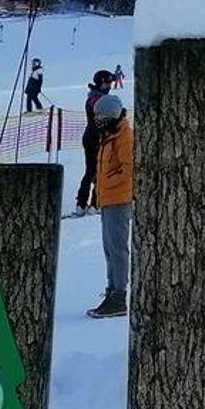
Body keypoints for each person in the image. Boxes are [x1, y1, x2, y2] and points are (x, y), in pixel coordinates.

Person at [87, 94, 134, 319]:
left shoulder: (124, 136)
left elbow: (128, 168)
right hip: (107, 199)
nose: (97, 119)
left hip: (118, 200)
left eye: (100, 115)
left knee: (117, 249)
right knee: (109, 248)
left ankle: (119, 295)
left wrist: (108, 181)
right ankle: (111, 289)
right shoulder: (108, 136)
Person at [76, 69, 114, 213]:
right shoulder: (97, 99)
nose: (110, 86)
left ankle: (82, 204)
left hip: (91, 137)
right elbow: (104, 117)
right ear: (101, 83)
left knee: (91, 170)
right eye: (108, 83)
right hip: (96, 138)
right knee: (98, 170)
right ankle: (94, 203)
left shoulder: (95, 97)